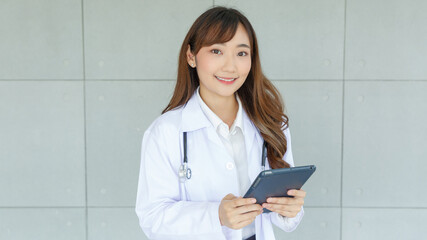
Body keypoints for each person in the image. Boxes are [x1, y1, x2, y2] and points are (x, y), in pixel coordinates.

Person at [135, 6, 306, 240]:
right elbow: (152, 218)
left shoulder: (271, 123)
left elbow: (286, 218)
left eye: (241, 53)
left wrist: (290, 210)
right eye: (216, 51)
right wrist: (216, 215)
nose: (230, 66)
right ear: (191, 56)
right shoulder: (165, 131)